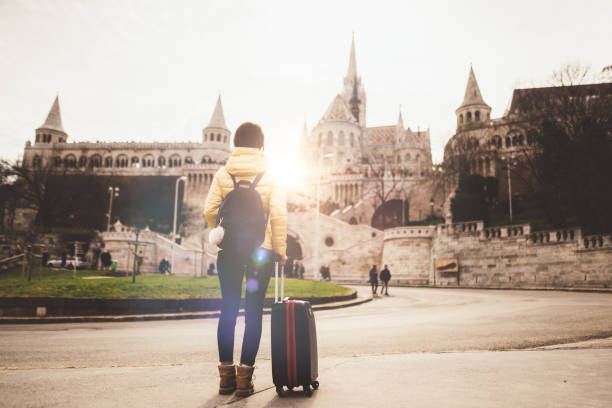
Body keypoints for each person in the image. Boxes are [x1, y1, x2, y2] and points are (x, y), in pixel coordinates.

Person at [204, 122, 287, 397]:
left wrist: (222, 230)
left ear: (235, 143)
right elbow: (277, 217)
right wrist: (281, 250)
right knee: (253, 313)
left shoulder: (223, 173)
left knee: (228, 310)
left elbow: (210, 210)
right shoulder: (271, 176)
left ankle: (225, 378)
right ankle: (245, 379)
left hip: (228, 252)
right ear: (261, 145)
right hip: (259, 253)